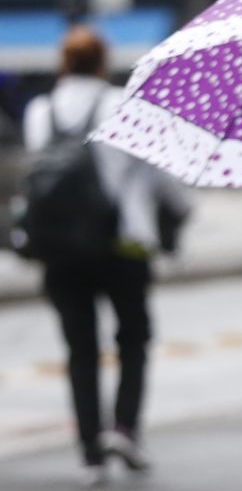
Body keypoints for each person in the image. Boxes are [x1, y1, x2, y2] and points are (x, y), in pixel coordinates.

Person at [22, 26, 190, 487]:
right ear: (102, 62)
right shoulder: (124, 104)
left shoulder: (41, 110)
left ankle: (90, 452)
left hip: (59, 249)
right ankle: (125, 429)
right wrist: (181, 212)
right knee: (133, 338)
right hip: (123, 243)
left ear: (63, 62)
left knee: (80, 350)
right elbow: (157, 173)